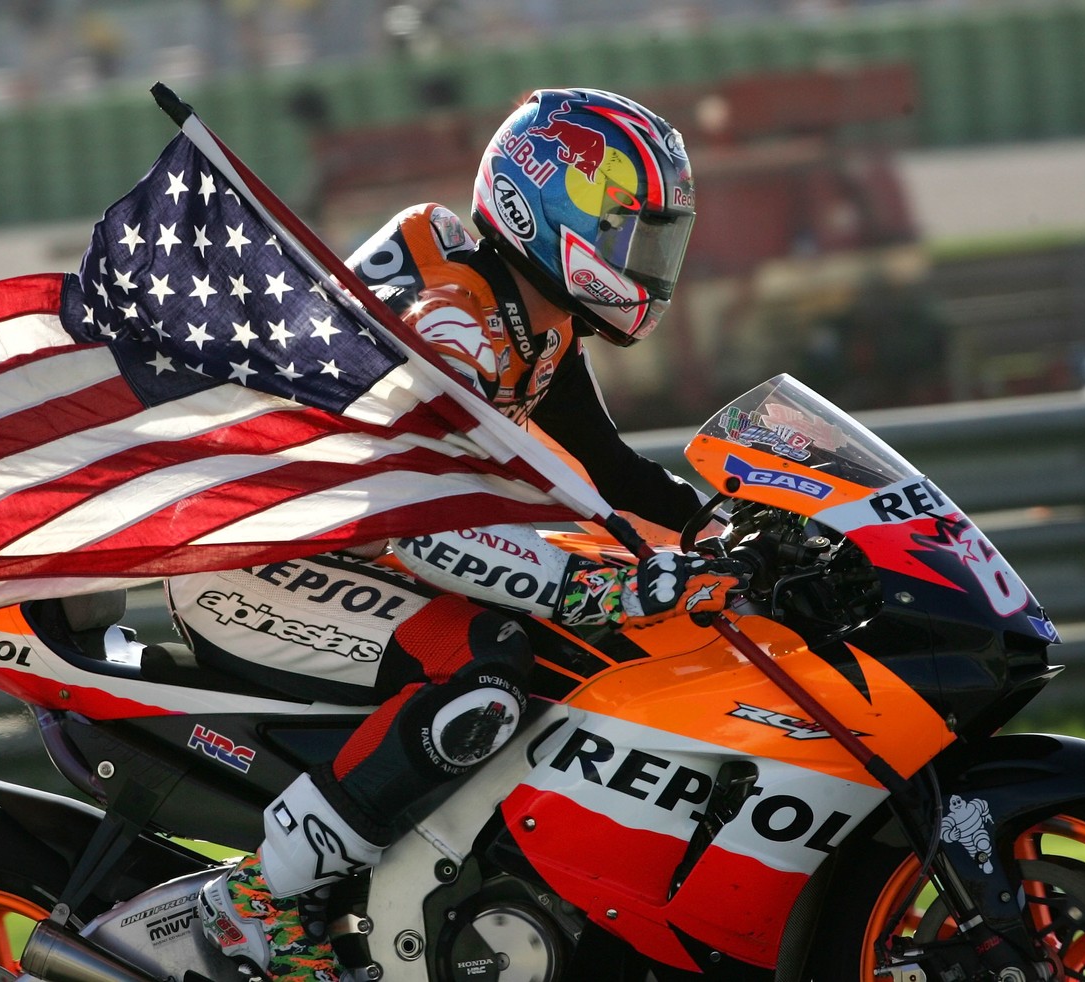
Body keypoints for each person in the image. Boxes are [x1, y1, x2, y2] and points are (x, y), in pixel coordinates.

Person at [183, 88, 739, 982]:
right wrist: (605, 585)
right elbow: (421, 527)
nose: (650, 264)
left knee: (574, 651)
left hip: (347, 551)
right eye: (633, 234)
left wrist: (737, 527)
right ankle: (258, 900)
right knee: (487, 669)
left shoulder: (531, 315)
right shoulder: (454, 316)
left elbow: (608, 472)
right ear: (553, 210)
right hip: (257, 558)